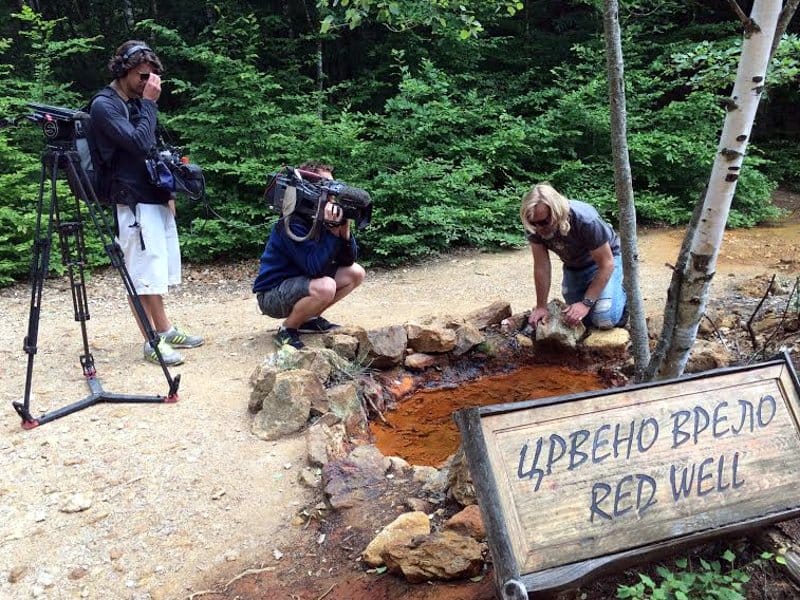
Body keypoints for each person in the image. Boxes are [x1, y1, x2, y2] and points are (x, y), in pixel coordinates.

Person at [90, 40, 203, 365]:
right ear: (124, 70)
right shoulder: (104, 105)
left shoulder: (137, 102)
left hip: (151, 197)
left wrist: (167, 192)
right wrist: (151, 104)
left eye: (153, 77)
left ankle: (165, 330)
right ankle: (150, 341)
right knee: (140, 274)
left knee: (155, 272)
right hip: (130, 202)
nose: (148, 83)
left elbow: (152, 149)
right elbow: (139, 143)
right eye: (142, 76)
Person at [253, 161, 366, 349]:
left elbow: (347, 260)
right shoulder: (291, 223)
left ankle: (308, 319)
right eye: (326, 186)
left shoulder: (322, 215)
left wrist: (343, 229)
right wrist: (331, 231)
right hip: (272, 294)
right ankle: (287, 330)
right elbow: (315, 267)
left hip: (301, 283)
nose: (332, 193)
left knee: (356, 272)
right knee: (326, 286)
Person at [520, 183, 627, 330]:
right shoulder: (534, 226)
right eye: (534, 223)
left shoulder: (586, 220)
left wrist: (586, 303)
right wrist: (541, 306)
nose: (538, 228)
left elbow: (606, 264)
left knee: (603, 317)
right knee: (580, 320)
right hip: (575, 267)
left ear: (556, 213)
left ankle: (623, 291)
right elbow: (542, 266)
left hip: (607, 261)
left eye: (544, 222)